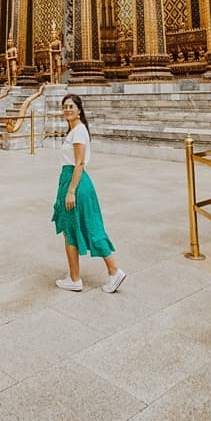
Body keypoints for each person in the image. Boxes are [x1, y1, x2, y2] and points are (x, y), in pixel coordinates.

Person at [51, 93, 125, 293]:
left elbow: (79, 163)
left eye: (71, 107)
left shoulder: (79, 131)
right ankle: (96, 273)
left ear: (79, 110)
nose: (67, 110)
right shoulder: (75, 130)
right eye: (65, 107)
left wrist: (71, 191)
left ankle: (105, 272)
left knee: (76, 229)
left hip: (76, 183)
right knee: (80, 227)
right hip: (73, 181)